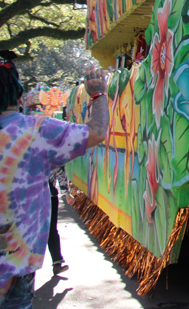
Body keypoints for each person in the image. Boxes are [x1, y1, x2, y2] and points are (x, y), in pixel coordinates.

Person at [0, 53, 109, 309]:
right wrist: (97, 95)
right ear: (18, 95)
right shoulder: (37, 131)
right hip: (18, 262)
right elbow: (96, 132)